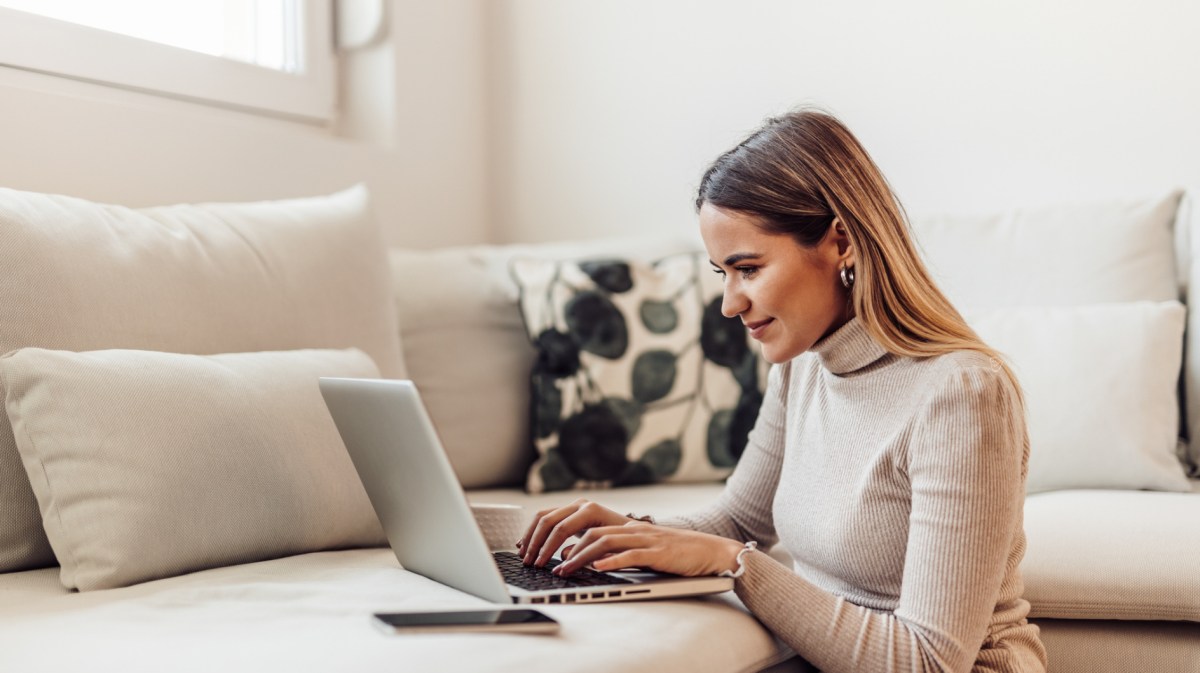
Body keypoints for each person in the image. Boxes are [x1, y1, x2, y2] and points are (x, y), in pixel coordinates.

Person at [517, 109, 1048, 672]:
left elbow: (928, 661)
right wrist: (624, 534)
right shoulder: (802, 368)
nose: (729, 303)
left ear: (840, 240)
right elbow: (737, 523)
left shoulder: (962, 395)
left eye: (748, 268)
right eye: (723, 273)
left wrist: (737, 565)